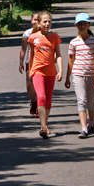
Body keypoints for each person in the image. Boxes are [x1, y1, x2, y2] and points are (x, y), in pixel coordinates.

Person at [64, 12, 94, 138]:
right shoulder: (73, 42)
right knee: (81, 101)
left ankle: (91, 123)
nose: (82, 26)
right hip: (78, 75)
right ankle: (84, 128)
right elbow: (71, 61)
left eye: (84, 24)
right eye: (79, 24)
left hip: (91, 75)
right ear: (76, 26)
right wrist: (67, 77)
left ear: (88, 25)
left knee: (90, 102)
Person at [27, 11, 63, 139]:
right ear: (39, 23)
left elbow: (58, 55)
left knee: (48, 99)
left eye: (49, 22)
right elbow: (31, 56)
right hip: (38, 71)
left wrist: (60, 70)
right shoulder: (33, 37)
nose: (47, 24)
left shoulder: (54, 37)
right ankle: (42, 127)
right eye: (45, 22)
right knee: (41, 97)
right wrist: (31, 71)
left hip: (51, 72)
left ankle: (45, 124)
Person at [19, 12, 40, 117]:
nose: (36, 21)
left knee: (40, 84)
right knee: (29, 83)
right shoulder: (27, 33)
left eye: (38, 19)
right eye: (34, 19)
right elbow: (23, 48)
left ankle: (39, 107)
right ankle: (34, 101)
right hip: (30, 61)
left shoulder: (46, 33)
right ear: (31, 20)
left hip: (41, 62)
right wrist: (21, 62)